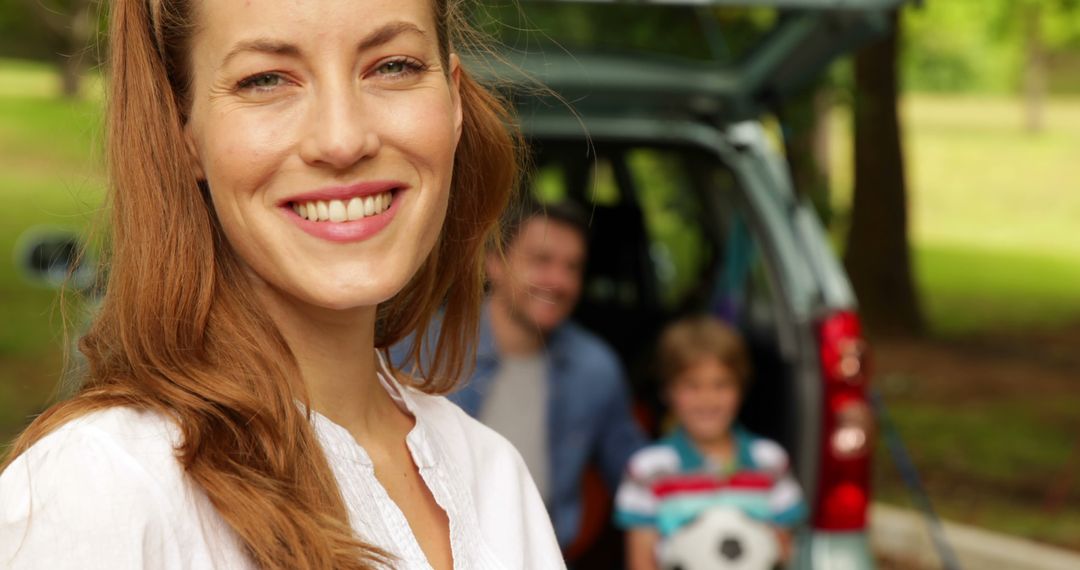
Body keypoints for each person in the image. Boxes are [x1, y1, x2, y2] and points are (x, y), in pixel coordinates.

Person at [0, 1, 564, 569]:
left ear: (454, 99)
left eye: (392, 66)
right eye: (265, 79)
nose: (343, 140)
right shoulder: (99, 491)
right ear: (184, 129)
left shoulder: (496, 479)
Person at [400, 200, 649, 550]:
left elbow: (639, 478)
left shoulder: (594, 368)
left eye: (572, 267)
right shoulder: (419, 350)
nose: (558, 281)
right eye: (541, 260)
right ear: (494, 264)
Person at [614, 316, 807, 570]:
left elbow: (784, 553)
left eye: (721, 385)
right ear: (668, 391)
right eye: (692, 386)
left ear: (741, 388)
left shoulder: (769, 462)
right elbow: (641, 562)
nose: (708, 400)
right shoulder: (648, 469)